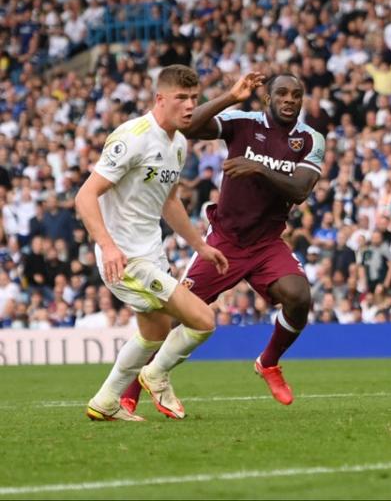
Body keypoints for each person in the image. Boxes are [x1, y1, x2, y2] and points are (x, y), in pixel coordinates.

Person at [120, 72, 325, 410]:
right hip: (224, 242)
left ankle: (268, 362)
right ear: (267, 99)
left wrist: (258, 169)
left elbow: (301, 190)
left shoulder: (310, 138)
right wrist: (230, 97)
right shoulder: (243, 122)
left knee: (299, 297)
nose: (290, 99)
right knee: (172, 315)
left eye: (297, 95)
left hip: (267, 244)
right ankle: (132, 388)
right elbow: (187, 128)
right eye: (283, 93)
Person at [76, 65, 229, 421]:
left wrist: (200, 246)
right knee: (203, 320)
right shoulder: (133, 136)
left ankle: (105, 402)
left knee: (155, 331)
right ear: (160, 99)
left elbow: (169, 201)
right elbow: (85, 196)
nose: (191, 105)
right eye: (182, 98)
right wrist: (108, 245)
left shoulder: (177, 144)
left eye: (194, 98)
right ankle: (156, 374)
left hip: (151, 252)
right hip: (125, 257)